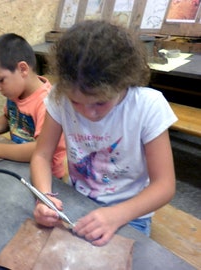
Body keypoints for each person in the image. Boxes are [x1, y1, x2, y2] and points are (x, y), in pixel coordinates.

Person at [30, 20, 177, 246]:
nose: (89, 113)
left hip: (131, 212)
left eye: (100, 103)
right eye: (76, 102)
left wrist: (117, 214)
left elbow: (165, 185)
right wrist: (44, 197)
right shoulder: (59, 97)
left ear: (122, 83)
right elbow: (41, 156)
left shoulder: (148, 105)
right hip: (77, 200)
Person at [0, 33, 66, 179]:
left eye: (1, 80)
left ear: (23, 69)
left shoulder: (46, 103)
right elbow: (9, 118)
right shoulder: (15, 94)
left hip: (47, 176)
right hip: (19, 165)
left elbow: (40, 150)